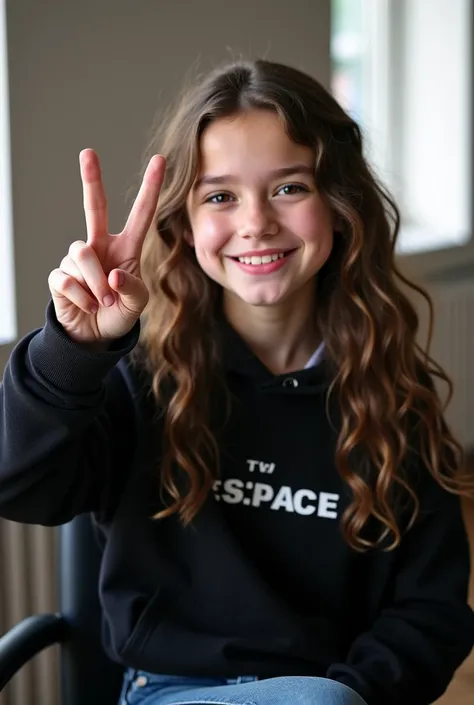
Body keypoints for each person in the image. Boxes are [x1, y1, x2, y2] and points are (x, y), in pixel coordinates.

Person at [0, 59, 473, 705]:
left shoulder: (395, 394)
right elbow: (17, 485)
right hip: (167, 691)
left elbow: (432, 610)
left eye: (289, 188)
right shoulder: (138, 378)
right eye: (220, 196)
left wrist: (351, 694)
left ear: (340, 203)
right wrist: (74, 348)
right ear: (185, 223)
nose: (256, 222)